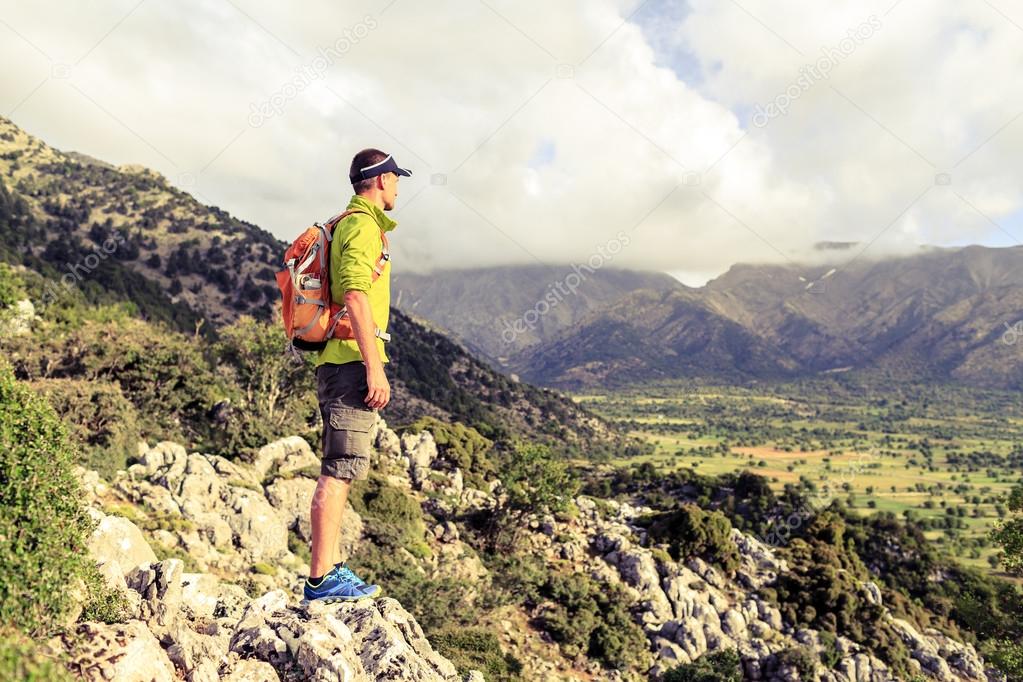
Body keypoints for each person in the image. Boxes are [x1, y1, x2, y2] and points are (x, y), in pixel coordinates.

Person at [302, 148, 411, 602]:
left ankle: (326, 573)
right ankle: (321, 580)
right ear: (381, 180)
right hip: (350, 362)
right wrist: (374, 367)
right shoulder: (363, 226)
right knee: (339, 470)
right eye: (396, 178)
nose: (399, 186)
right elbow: (355, 296)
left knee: (342, 469)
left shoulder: (352, 223)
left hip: (340, 360)